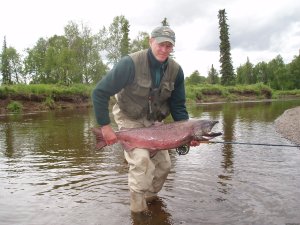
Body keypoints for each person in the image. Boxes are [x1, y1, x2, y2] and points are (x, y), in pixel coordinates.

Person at [92, 26, 200, 213]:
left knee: (164, 166)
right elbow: (99, 92)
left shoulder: (176, 71)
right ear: (151, 41)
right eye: (160, 44)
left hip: (155, 123)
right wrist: (105, 127)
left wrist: (188, 133)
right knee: (142, 161)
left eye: (169, 46)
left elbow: (178, 106)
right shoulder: (130, 63)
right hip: (129, 117)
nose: (164, 49)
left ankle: (150, 198)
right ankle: (138, 211)